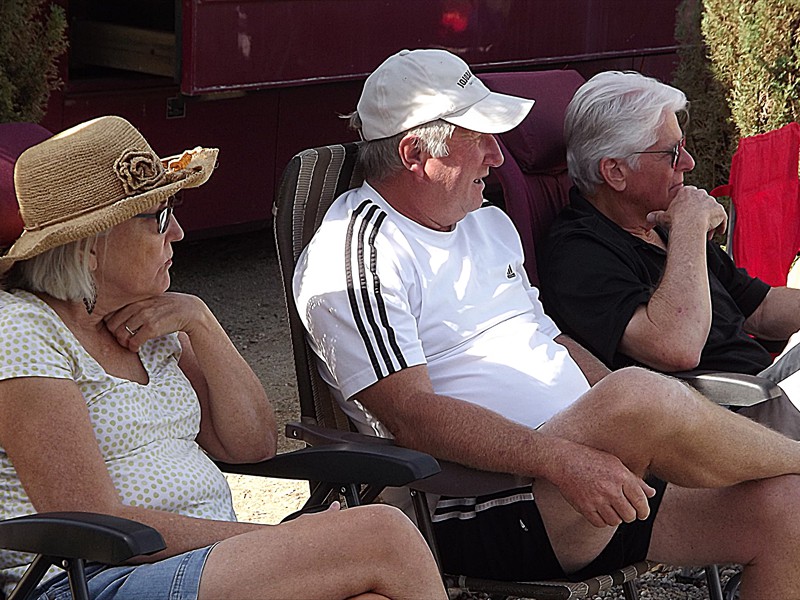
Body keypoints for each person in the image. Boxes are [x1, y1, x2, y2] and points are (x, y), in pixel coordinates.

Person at [293, 48, 800, 596]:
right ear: (415, 153)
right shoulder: (358, 258)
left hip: (589, 477)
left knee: (787, 510)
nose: (497, 155)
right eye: (480, 138)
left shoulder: (486, 225)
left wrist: (629, 424)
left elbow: (550, 338)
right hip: (477, 499)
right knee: (637, 393)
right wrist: (567, 457)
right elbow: (412, 417)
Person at [0, 116, 446, 600]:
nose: (179, 233)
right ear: (90, 247)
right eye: (160, 218)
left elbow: (251, 446)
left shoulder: (149, 322)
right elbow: (94, 519)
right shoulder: (22, 330)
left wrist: (200, 321)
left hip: (195, 565)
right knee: (382, 533)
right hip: (87, 579)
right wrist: (278, 538)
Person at [539, 70, 800, 438]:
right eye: (672, 153)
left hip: (766, 393)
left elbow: (760, 309)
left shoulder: (659, 222)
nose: (688, 162)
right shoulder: (578, 255)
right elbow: (677, 347)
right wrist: (691, 225)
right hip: (723, 421)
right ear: (615, 171)